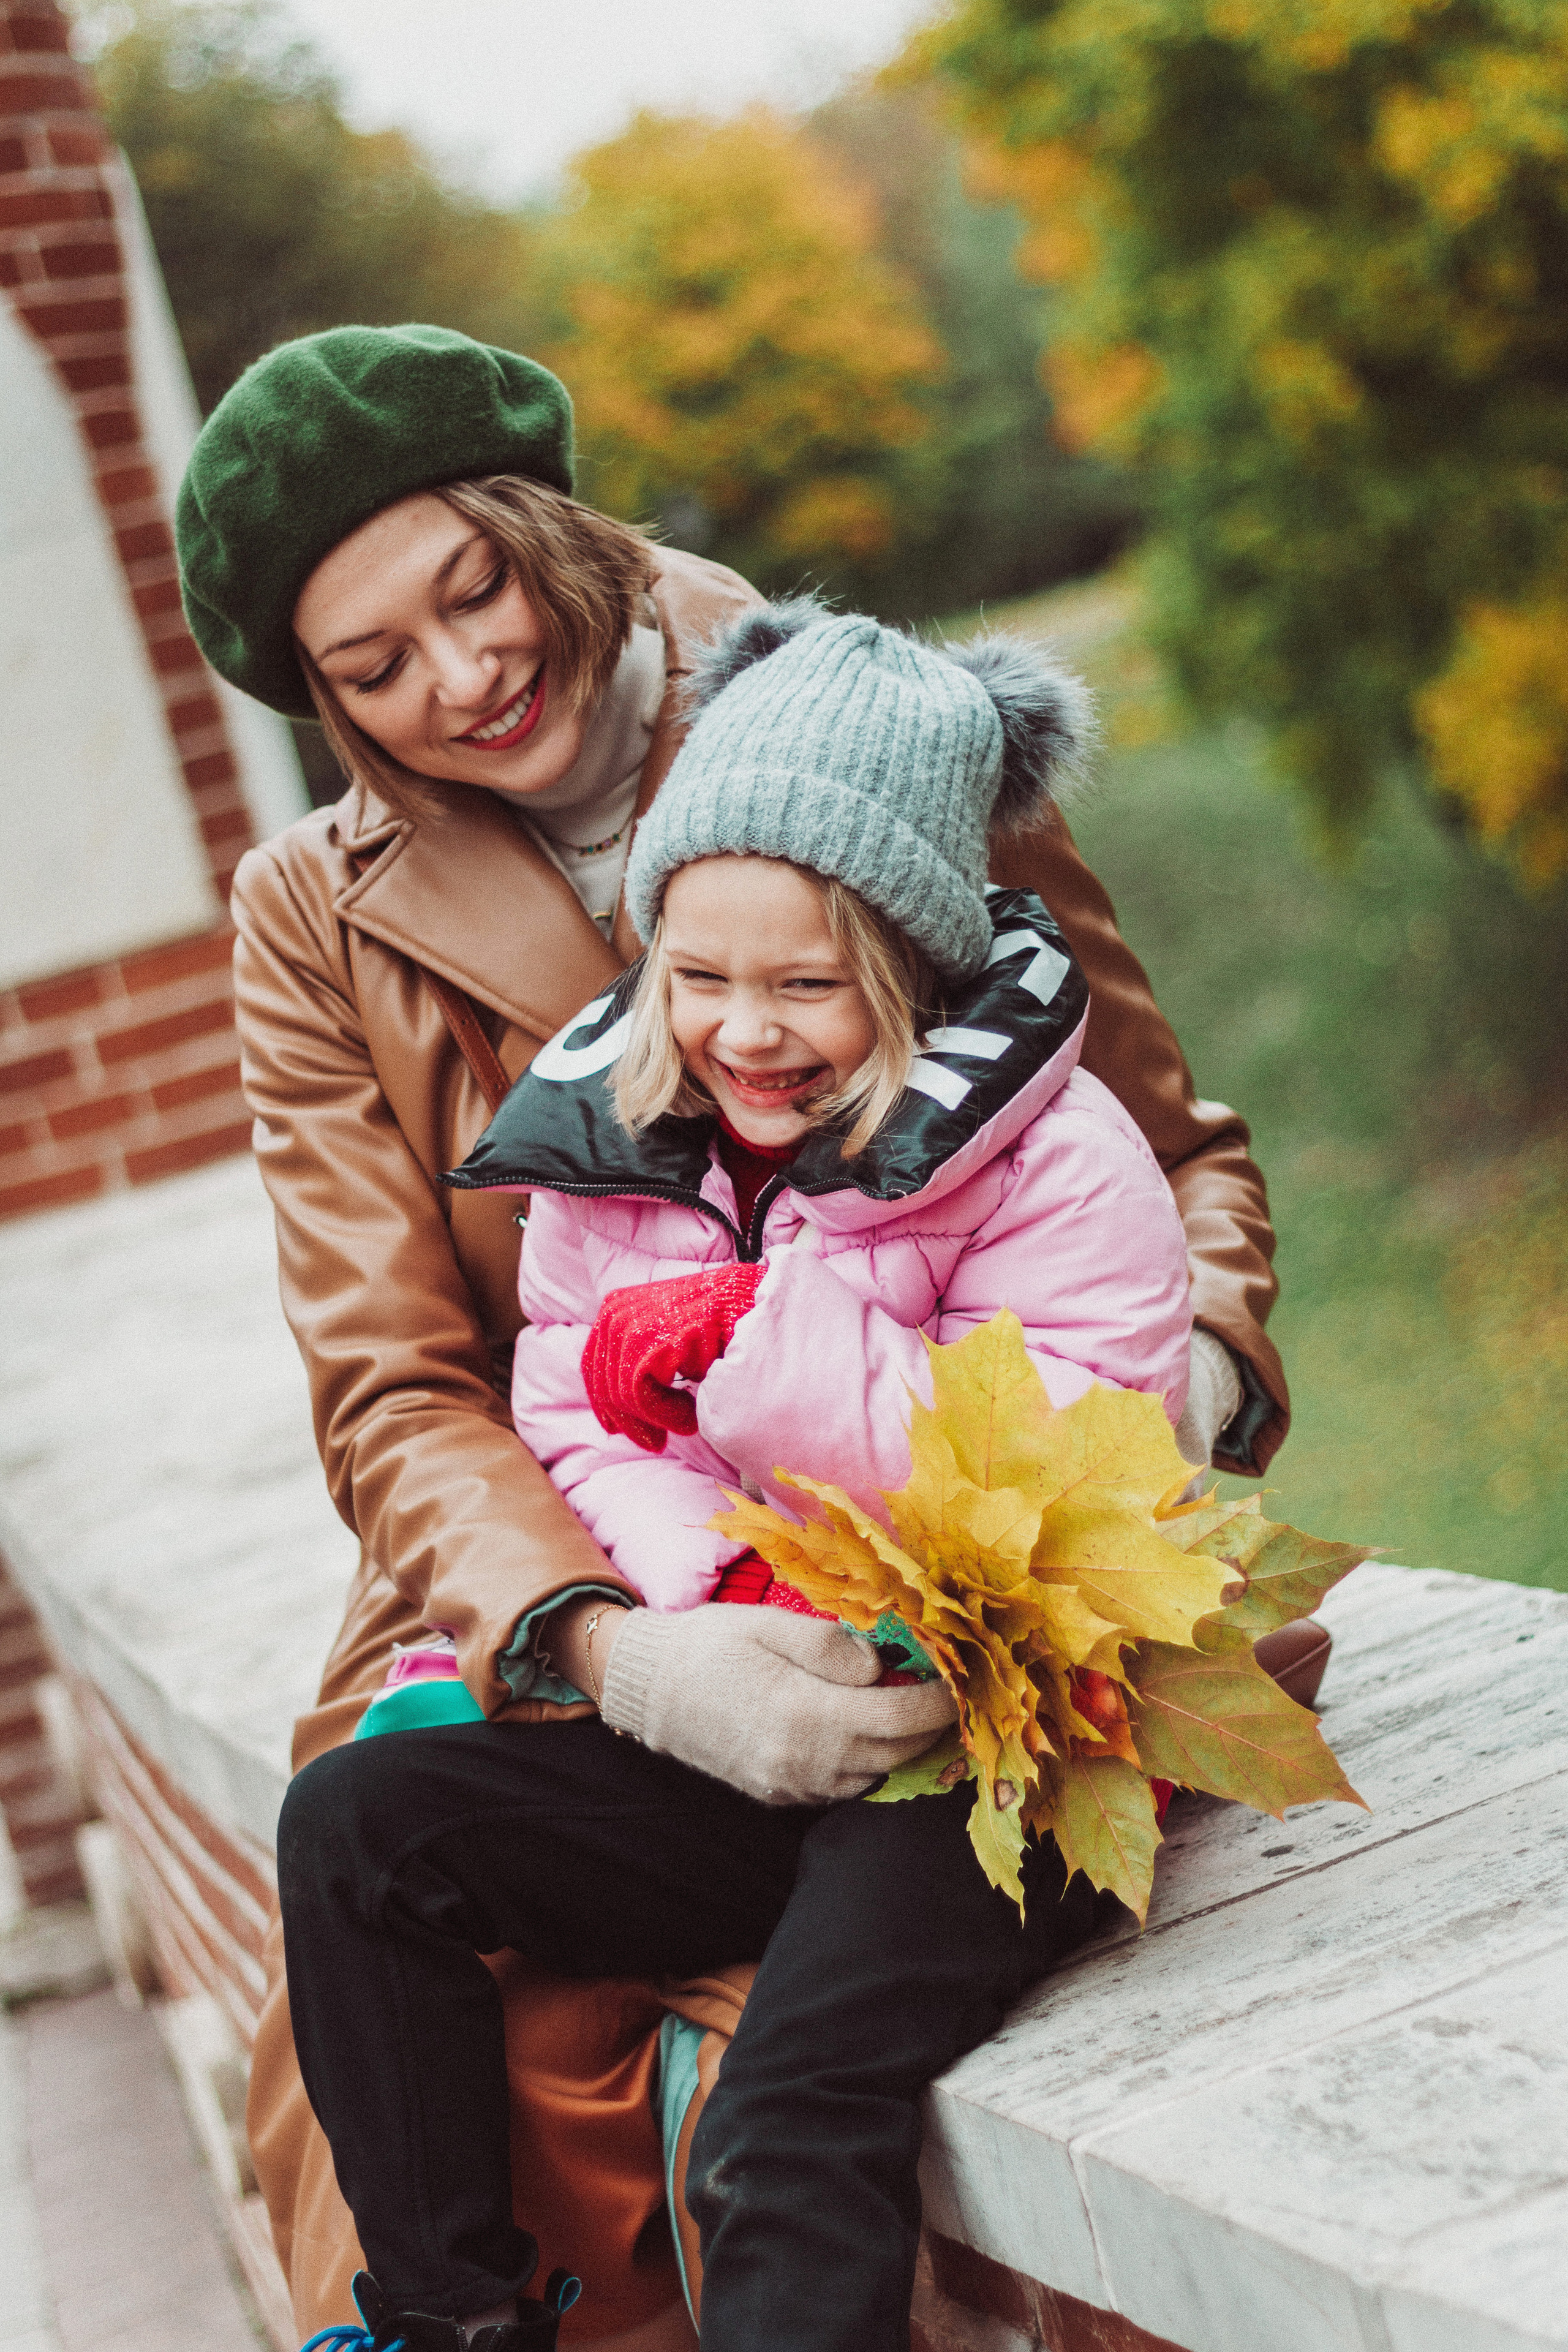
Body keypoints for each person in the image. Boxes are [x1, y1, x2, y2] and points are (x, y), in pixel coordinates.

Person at [175, 323, 1289, 2350]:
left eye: (473, 590)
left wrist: (1167, 1399)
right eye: (373, 669)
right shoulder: (313, 918)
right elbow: (403, 1381)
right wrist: (619, 1642)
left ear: (542, 528)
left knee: (815, 2092)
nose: (459, 678)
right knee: (395, 1974)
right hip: (572, 1563)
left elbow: (1163, 1141)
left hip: (976, 1552)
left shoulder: (874, 725)